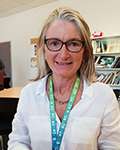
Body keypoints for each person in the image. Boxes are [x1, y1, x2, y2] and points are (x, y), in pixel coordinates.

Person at [8, 7, 120, 150]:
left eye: (73, 43)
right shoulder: (28, 94)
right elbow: (18, 141)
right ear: (44, 48)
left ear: (84, 51)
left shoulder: (104, 96)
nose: (63, 54)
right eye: (54, 43)